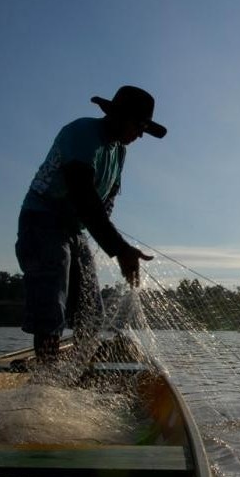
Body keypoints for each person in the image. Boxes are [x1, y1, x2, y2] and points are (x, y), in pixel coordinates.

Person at [15, 85, 166, 362]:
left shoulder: (119, 151)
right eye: (138, 125)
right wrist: (119, 248)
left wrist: (114, 243)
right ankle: (46, 377)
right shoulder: (83, 134)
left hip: (74, 230)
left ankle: (78, 369)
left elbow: (104, 203)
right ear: (118, 116)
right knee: (51, 304)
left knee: (91, 313)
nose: (140, 134)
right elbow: (83, 196)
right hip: (42, 221)